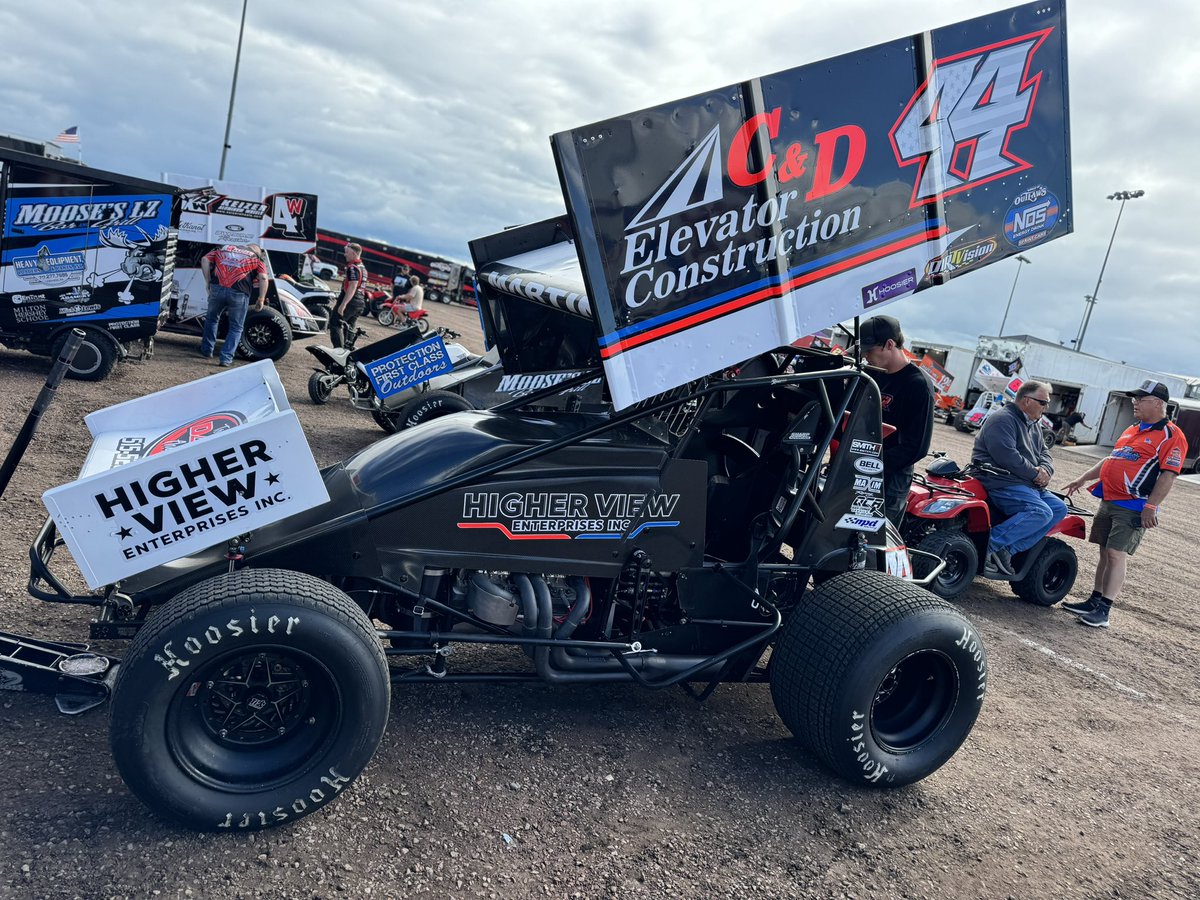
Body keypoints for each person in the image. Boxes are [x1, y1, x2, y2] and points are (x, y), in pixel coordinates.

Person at [1062, 380, 1187, 628]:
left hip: (1133, 504)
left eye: (1140, 399)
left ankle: (1104, 611)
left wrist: (1151, 506)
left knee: (1115, 553)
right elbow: (1112, 458)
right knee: (1104, 551)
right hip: (1109, 498)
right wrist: (1084, 477)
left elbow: (1168, 475)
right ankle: (1094, 601)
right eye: (1134, 399)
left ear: (1158, 403)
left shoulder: (1172, 435)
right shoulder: (1132, 429)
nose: (1135, 403)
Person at [970, 380, 1067, 577]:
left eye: (1047, 403)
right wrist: (1035, 474)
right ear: (1026, 400)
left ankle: (1007, 550)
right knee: (1040, 512)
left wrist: (1046, 470)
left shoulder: (1033, 424)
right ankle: (988, 545)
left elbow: (1044, 453)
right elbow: (1007, 456)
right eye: (1043, 402)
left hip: (1024, 482)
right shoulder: (1002, 420)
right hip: (1000, 481)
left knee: (1059, 509)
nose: (1046, 407)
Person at [857, 315, 934, 526]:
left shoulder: (917, 384)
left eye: (869, 350)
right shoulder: (871, 374)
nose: (865, 356)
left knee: (874, 538)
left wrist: (874, 464)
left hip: (890, 479)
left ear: (890, 344)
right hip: (857, 467)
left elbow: (917, 447)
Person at [199, 243, 267, 367]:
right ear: (257, 251)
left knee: (212, 319)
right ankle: (225, 359)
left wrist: (208, 281)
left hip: (217, 289)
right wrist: (261, 298)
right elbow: (263, 278)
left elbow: (204, 259)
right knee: (236, 327)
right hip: (240, 293)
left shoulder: (223, 249)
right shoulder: (256, 258)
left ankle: (207, 351)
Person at [330, 242, 367, 349]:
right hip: (360, 302)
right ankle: (348, 351)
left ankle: (338, 351)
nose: (345, 254)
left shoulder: (352, 267)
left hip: (351, 300)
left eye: (347, 252)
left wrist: (343, 304)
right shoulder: (363, 268)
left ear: (354, 253)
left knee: (335, 323)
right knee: (349, 327)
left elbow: (353, 286)